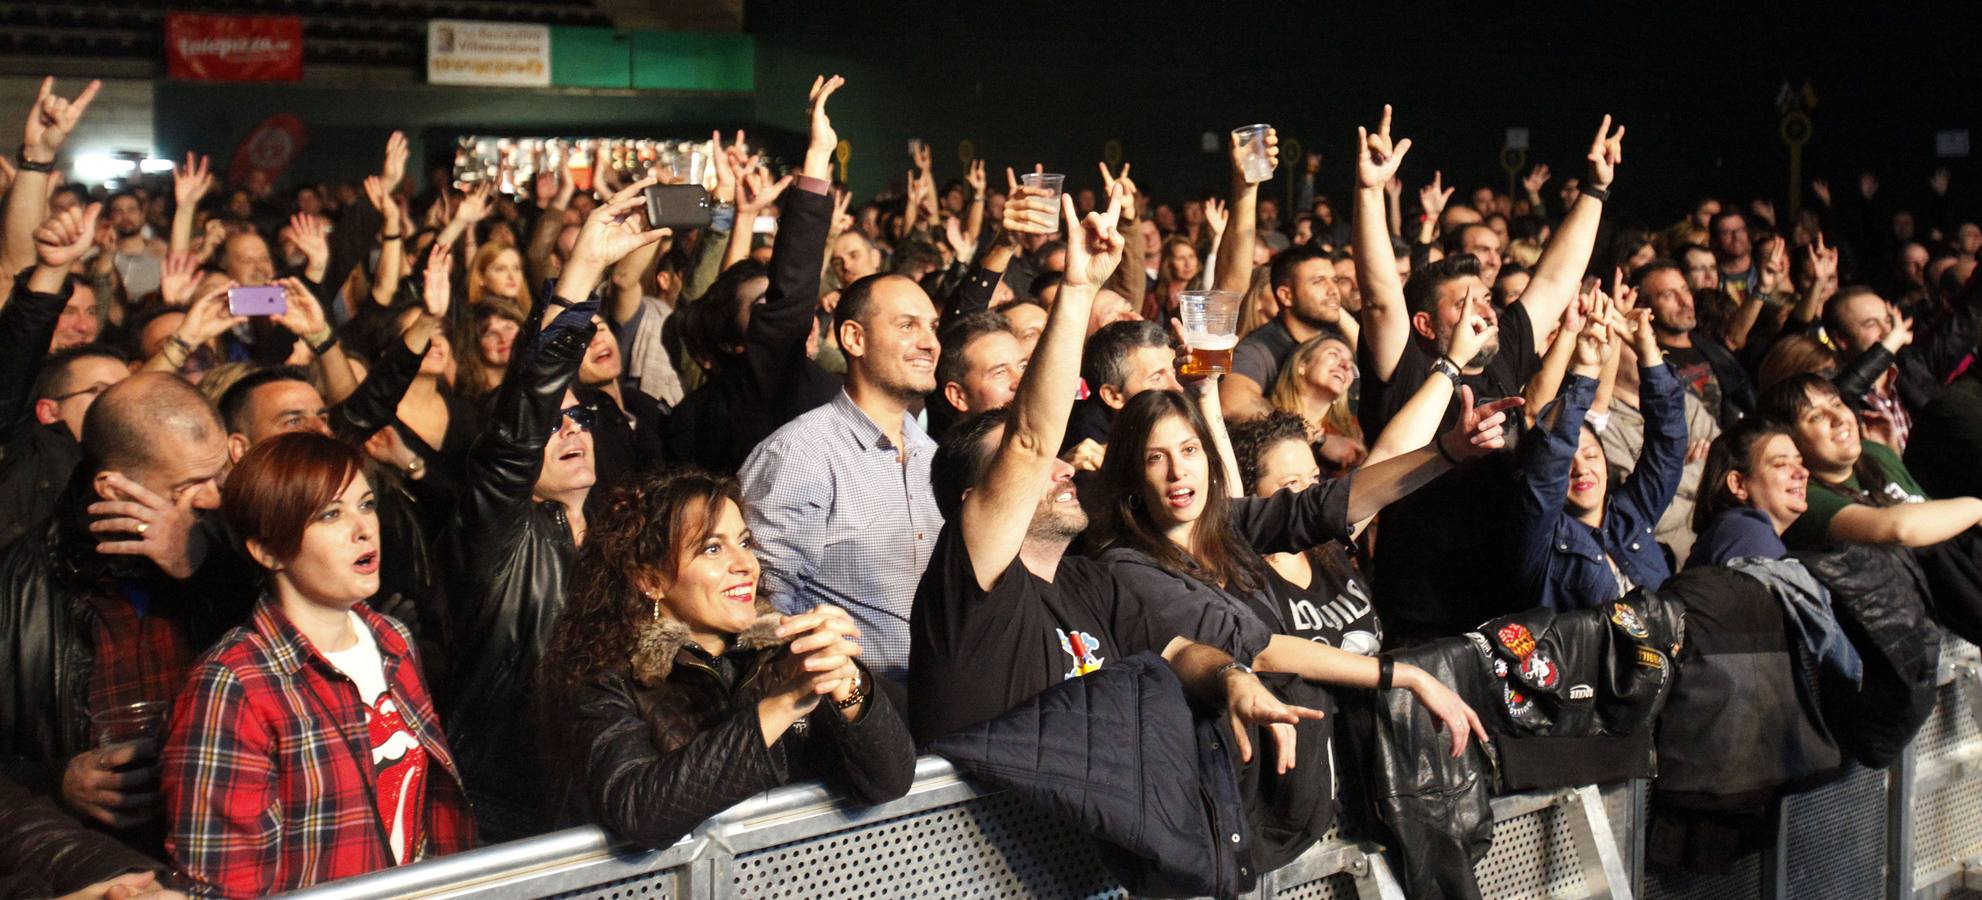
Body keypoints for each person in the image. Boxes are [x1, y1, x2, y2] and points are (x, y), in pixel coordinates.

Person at [912, 180, 1323, 763]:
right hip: (988, 820)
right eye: (1033, 468)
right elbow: (1029, 442)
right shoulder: (969, 592)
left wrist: (1229, 675)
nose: (1060, 468)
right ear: (976, 504)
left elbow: (1177, 652)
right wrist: (1078, 291)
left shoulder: (1089, 581)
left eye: (1056, 459)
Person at [1090, 375, 1499, 755]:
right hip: (1225, 770)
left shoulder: (1227, 523)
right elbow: (1258, 650)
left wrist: (1448, 451)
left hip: (1305, 763)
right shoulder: (1127, 567)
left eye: (1189, 450)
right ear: (1132, 477)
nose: (1178, 471)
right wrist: (1404, 674)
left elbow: (1325, 506)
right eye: (1155, 458)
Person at [439, 175, 670, 840]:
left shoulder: (619, 535)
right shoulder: (499, 536)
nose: (571, 431)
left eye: (580, 419)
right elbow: (524, 410)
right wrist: (581, 274)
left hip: (611, 787)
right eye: (552, 423)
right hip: (515, 801)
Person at [537, 470, 915, 849]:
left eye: (745, 542)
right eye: (712, 548)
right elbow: (639, 812)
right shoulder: (602, 676)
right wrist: (783, 704)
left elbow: (890, 781)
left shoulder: (784, 650)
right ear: (649, 580)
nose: (746, 564)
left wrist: (848, 686)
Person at [1349, 107, 1618, 639]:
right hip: (1423, 612)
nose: (1485, 311)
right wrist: (1369, 192)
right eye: (1463, 303)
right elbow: (1380, 298)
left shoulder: (1502, 352)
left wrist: (1595, 189)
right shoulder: (1408, 364)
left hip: (1508, 601)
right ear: (1426, 324)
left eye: (1487, 299)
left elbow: (1555, 279)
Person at [163, 433, 472, 895]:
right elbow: (224, 885)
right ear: (268, 550)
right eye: (330, 514)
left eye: (366, 505)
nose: (363, 529)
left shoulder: (392, 638)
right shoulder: (233, 685)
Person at [0, 370, 252, 837]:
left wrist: (205, 567)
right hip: (93, 850)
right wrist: (55, 782)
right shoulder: (18, 583)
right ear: (113, 489)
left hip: (220, 827)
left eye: (219, 475)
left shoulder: (232, 542)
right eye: (188, 485)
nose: (214, 498)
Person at [668, 77, 844, 475]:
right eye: (770, 307)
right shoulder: (723, 406)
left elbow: (729, 295)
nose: (793, 312)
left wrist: (743, 216)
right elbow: (780, 282)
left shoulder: (822, 380)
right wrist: (817, 157)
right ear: (733, 344)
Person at [1509, 293, 1685, 610]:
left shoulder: (1631, 515)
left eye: (1591, 456)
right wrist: (1586, 368)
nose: (1581, 469)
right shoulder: (1537, 538)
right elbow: (1551, 455)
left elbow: (1668, 443)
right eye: (1568, 462)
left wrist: (1647, 351)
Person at [1, 203, 123, 548]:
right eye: (100, 391)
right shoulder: (28, 447)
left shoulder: (138, 465)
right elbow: (19, 351)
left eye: (91, 312)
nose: (82, 325)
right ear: (48, 410)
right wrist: (52, 270)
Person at [1759, 374, 1982, 552]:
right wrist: (1977, 508)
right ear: (1791, 442)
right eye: (1816, 416)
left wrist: (1892, 455)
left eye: (1836, 404)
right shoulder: (1807, 499)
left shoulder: (1874, 452)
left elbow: (1921, 504)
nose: (1838, 419)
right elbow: (1899, 530)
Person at [1226, 413, 1381, 653]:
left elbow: (1391, 452)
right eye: (1292, 483)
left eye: (1314, 477)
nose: (1311, 491)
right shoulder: (1241, 576)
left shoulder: (1327, 545)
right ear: (1249, 496)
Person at [1688, 419, 1810, 568]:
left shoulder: (1738, 530)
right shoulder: (1747, 533)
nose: (1803, 472)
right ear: (1738, 484)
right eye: (1781, 464)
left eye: (1799, 463)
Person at [1267, 333, 1365, 473]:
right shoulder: (1267, 416)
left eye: (1351, 364)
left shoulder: (1352, 432)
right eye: (1333, 354)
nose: (1346, 365)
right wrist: (1321, 442)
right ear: (1302, 365)